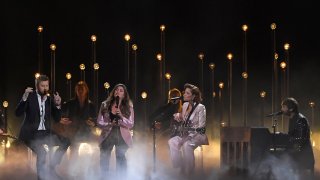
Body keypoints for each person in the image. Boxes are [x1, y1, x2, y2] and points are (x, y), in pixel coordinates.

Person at [15, 75, 70, 180]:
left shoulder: (49, 100)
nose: (45, 88)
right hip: (30, 134)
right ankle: (40, 178)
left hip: (44, 132)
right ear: (37, 86)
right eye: (42, 86)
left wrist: (58, 105)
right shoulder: (30, 97)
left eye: (47, 85)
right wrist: (24, 98)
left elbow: (57, 118)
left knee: (66, 142)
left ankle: (52, 167)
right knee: (42, 153)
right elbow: (17, 113)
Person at [168, 83, 209, 175]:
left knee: (187, 145)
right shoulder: (185, 105)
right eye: (184, 93)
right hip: (186, 134)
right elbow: (184, 118)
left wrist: (189, 134)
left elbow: (202, 129)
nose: (184, 95)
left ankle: (190, 173)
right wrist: (178, 116)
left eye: (187, 93)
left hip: (197, 135)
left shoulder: (201, 108)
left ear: (193, 96)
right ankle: (180, 166)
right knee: (172, 141)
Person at [97, 84, 134, 176]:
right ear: (113, 92)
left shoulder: (129, 107)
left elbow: (131, 124)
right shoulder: (104, 105)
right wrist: (109, 124)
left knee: (120, 156)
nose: (118, 91)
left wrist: (121, 117)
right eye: (116, 90)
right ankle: (104, 177)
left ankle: (121, 177)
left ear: (124, 95)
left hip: (122, 135)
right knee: (104, 156)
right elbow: (99, 122)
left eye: (121, 90)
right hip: (108, 133)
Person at [54, 81, 96, 160]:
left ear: (86, 91)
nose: (80, 91)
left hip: (86, 133)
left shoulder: (91, 105)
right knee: (68, 147)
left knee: (90, 150)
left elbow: (95, 119)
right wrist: (62, 119)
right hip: (72, 132)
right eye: (78, 89)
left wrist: (93, 123)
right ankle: (56, 165)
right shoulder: (69, 103)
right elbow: (60, 114)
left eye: (82, 89)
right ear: (75, 91)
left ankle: (87, 168)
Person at [281, 97, 315, 176]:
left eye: (284, 107)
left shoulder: (300, 119)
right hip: (298, 156)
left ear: (291, 109)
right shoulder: (293, 118)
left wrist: (288, 148)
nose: (282, 109)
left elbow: (301, 139)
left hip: (304, 158)